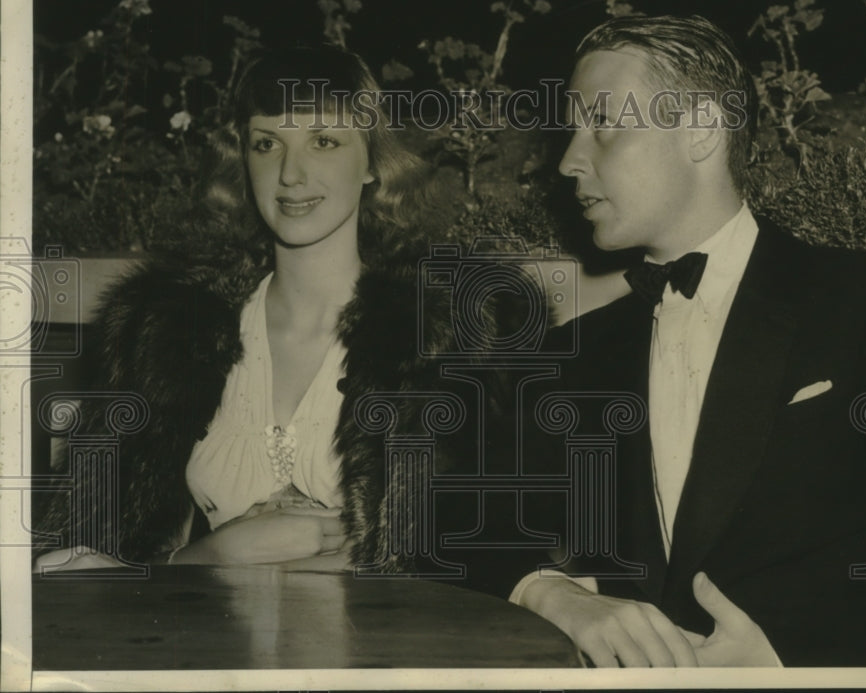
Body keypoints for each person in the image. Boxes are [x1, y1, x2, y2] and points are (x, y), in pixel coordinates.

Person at [511, 15, 866, 666]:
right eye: (572, 130)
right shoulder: (576, 352)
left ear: (701, 129)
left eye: (602, 124)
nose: (568, 161)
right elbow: (465, 523)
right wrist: (551, 593)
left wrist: (788, 656)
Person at [33, 45, 528, 592]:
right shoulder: (161, 332)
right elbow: (78, 559)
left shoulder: (450, 337)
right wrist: (214, 554)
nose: (291, 174)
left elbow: (490, 557)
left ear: (372, 162)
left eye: (324, 141)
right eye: (266, 144)